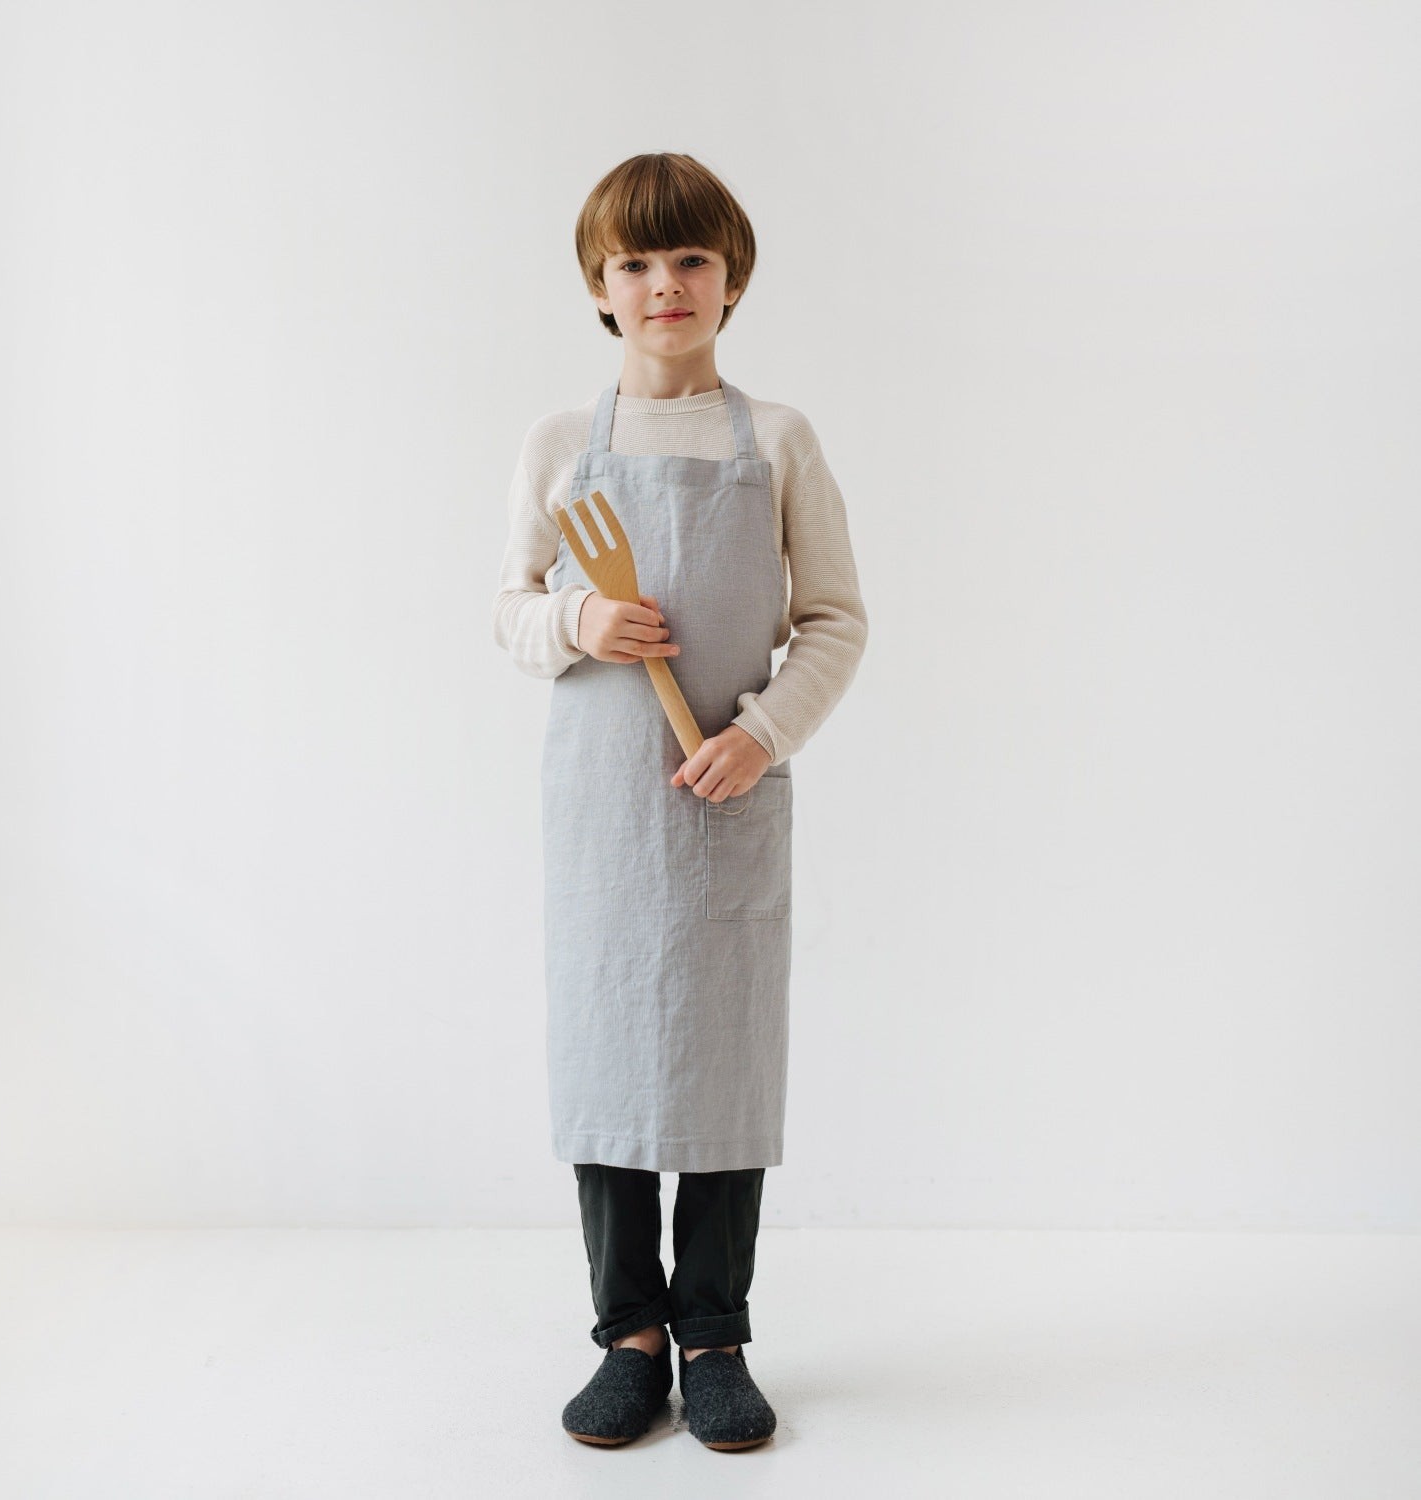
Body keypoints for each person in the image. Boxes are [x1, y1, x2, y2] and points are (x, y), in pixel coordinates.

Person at [492, 152, 868, 1450]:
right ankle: (628, 1336)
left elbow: (834, 620)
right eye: (636, 262)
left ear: (731, 280)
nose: (666, 284)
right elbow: (509, 609)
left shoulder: (779, 440)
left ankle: (712, 1333)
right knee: (605, 1059)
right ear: (600, 287)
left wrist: (763, 734)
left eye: (691, 259)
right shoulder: (560, 444)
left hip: (725, 804)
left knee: (723, 1065)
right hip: (603, 809)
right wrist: (578, 621)